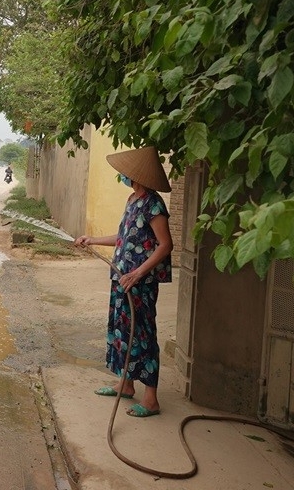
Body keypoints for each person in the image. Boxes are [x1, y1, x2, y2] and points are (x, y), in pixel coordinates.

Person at [74, 146, 173, 418]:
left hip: (138, 282)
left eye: (124, 173)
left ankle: (151, 399)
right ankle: (126, 384)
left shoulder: (154, 204)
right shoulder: (132, 199)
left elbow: (165, 245)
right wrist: (91, 239)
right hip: (121, 278)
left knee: (142, 334)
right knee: (121, 329)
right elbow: (123, 237)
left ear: (135, 174)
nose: (122, 175)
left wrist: (138, 273)